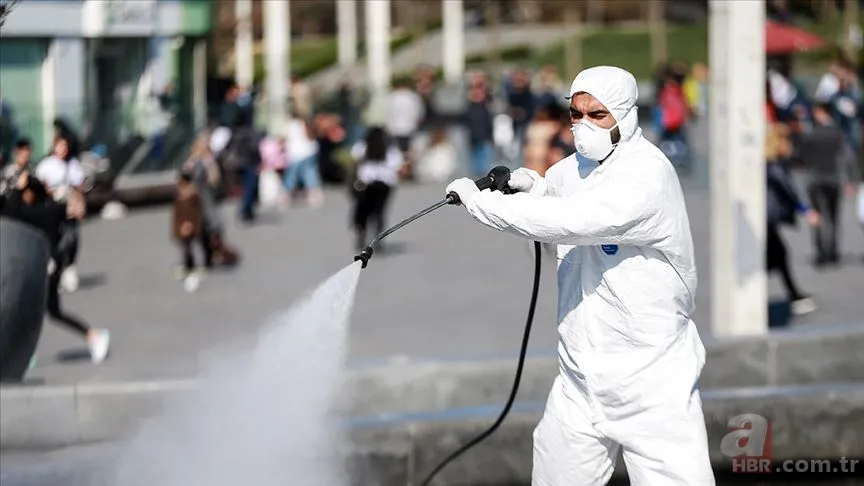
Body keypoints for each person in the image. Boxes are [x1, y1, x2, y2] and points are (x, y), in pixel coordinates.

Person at [445, 66, 715, 485]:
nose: (584, 125)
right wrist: (534, 188)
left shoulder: (647, 175)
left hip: (650, 382)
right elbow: (558, 212)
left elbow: (576, 220)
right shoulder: (568, 171)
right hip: (579, 378)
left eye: (598, 115)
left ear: (626, 115)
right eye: (576, 114)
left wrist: (483, 204)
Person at [2, 171, 110, 363]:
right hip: (47, 267)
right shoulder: (50, 208)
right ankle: (25, 353)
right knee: (37, 312)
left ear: (29, 194)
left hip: (46, 269)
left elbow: (13, 212)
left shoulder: (36, 213)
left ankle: (93, 335)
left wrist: (18, 189)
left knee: (48, 311)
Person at [795, 103, 859, 266]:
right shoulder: (837, 133)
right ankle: (833, 252)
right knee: (833, 217)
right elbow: (848, 157)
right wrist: (850, 180)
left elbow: (799, 157)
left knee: (817, 216)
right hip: (833, 179)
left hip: (814, 179)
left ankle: (821, 253)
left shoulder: (811, 134)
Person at [766, 124, 819, 314]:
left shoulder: (770, 164)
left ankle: (794, 295)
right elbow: (788, 189)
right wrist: (805, 209)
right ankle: (794, 296)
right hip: (767, 219)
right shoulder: (774, 166)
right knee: (777, 255)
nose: (790, 146)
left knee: (778, 255)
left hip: (767, 219)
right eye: (788, 142)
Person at [34, 135, 86, 293]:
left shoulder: (72, 165)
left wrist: (79, 204)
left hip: (69, 205)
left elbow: (79, 187)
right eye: (60, 146)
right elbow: (40, 186)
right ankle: (55, 270)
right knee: (54, 239)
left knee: (71, 237)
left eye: (65, 146)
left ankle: (69, 268)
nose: (62, 150)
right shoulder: (46, 165)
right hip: (53, 206)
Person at [349, 127, 403, 250]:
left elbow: (354, 159)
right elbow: (398, 167)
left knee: (363, 211)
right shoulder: (391, 150)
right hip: (385, 184)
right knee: (379, 212)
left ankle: (361, 232)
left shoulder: (362, 147)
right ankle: (378, 238)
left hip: (366, 183)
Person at [172, 173, 206, 292]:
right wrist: (180, 228)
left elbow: (197, 216)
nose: (183, 191)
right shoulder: (179, 201)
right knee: (183, 249)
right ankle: (185, 266)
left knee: (196, 248)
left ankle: (198, 266)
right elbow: (176, 218)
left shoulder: (194, 200)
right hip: (182, 230)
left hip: (193, 230)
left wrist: (191, 226)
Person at [283, 110, 324, 207]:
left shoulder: (290, 125)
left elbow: (285, 137)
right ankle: (314, 193)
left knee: (292, 174)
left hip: (296, 153)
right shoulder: (304, 123)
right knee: (309, 173)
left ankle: (286, 193)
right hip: (309, 151)